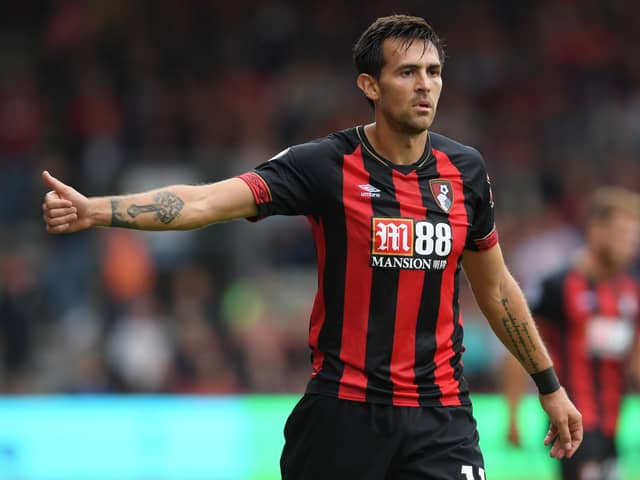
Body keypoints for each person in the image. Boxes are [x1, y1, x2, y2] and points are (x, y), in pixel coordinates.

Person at [41, 15, 582, 480]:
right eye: (407, 72)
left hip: (441, 415)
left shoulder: (465, 171)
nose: (425, 86)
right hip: (343, 414)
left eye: (434, 72)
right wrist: (96, 209)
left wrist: (548, 385)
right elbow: (206, 202)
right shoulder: (324, 163)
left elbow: (497, 286)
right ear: (369, 84)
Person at [503, 187, 640, 480]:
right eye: (623, 234)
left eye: (634, 238)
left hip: (613, 425)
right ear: (596, 230)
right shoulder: (557, 285)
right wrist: (512, 415)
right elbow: (520, 346)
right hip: (573, 423)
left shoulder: (630, 292)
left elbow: (635, 361)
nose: (630, 245)